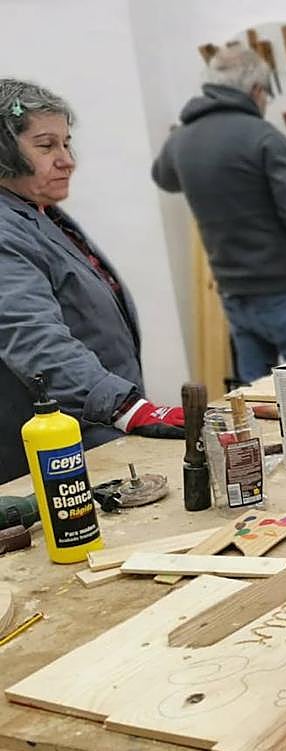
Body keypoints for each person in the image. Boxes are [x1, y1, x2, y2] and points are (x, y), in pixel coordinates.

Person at [0, 79, 184, 484]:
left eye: (67, 144)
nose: (67, 161)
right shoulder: (5, 229)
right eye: (46, 146)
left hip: (93, 434)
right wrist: (126, 407)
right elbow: (33, 337)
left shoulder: (36, 213)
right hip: (56, 454)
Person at [152, 45, 286, 384]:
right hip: (282, 286)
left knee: (254, 394)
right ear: (256, 90)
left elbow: (164, 177)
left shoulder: (182, 139)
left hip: (232, 290)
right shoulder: (264, 137)